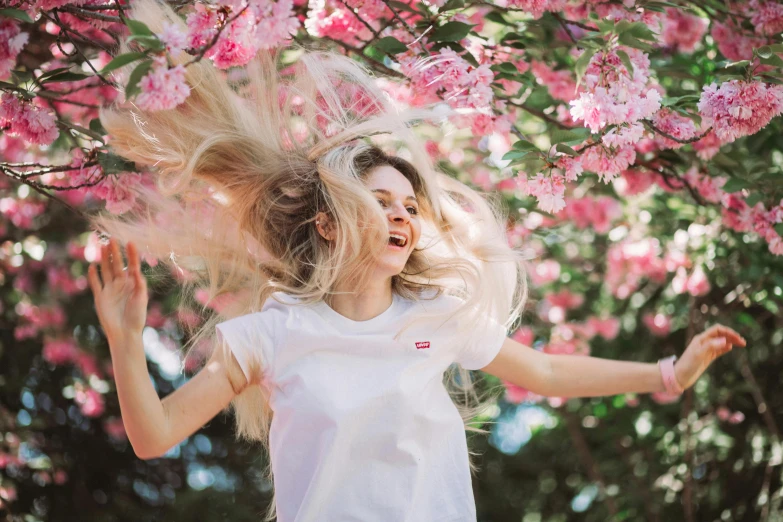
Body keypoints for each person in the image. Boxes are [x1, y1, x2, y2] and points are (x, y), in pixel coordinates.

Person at [86, 1, 747, 520]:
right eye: (380, 201)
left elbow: (545, 371)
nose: (402, 215)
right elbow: (155, 437)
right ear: (329, 221)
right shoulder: (270, 335)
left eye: (409, 205)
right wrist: (124, 342)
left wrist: (668, 373)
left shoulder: (434, 316)